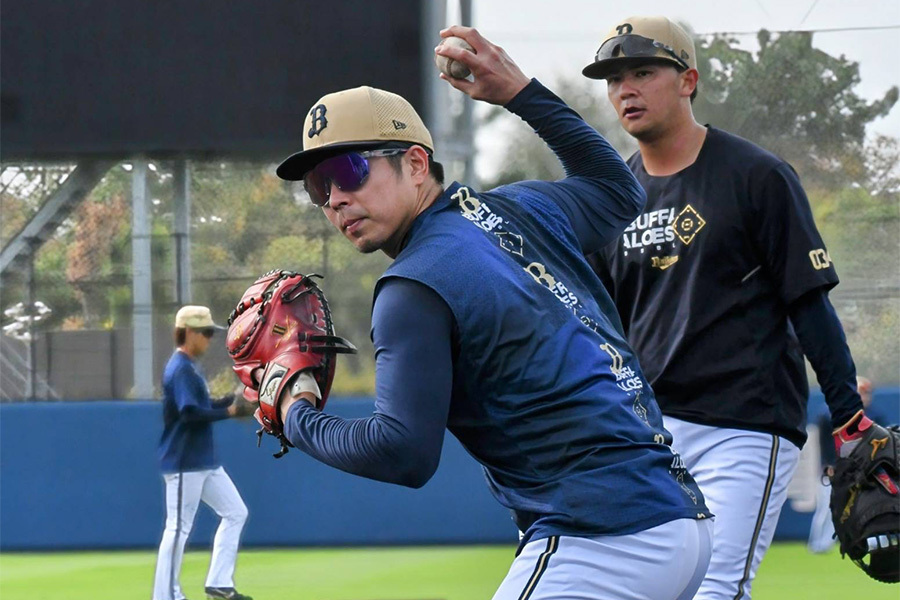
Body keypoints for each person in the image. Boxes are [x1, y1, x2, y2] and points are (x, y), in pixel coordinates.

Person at [267, 26, 713, 600]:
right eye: (317, 186)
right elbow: (618, 190)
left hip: (599, 540)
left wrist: (296, 412)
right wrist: (520, 92)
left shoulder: (412, 286)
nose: (334, 199)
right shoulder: (525, 209)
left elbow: (403, 452)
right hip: (681, 527)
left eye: (350, 171)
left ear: (416, 162)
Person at [582, 15, 885, 599]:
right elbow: (603, 331)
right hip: (650, 433)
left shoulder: (756, 176)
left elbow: (809, 303)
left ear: (688, 79)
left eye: (643, 71)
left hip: (743, 425)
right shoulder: (614, 198)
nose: (626, 90)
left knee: (714, 588)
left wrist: (848, 416)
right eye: (615, 79)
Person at [153, 305, 252, 600]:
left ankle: (219, 584)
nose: (210, 339)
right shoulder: (180, 368)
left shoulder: (188, 367)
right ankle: (165, 595)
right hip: (185, 461)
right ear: (190, 333)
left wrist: (232, 401)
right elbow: (189, 413)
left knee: (236, 512)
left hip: (203, 461)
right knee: (177, 528)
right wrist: (231, 411)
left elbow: (202, 406)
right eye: (206, 333)